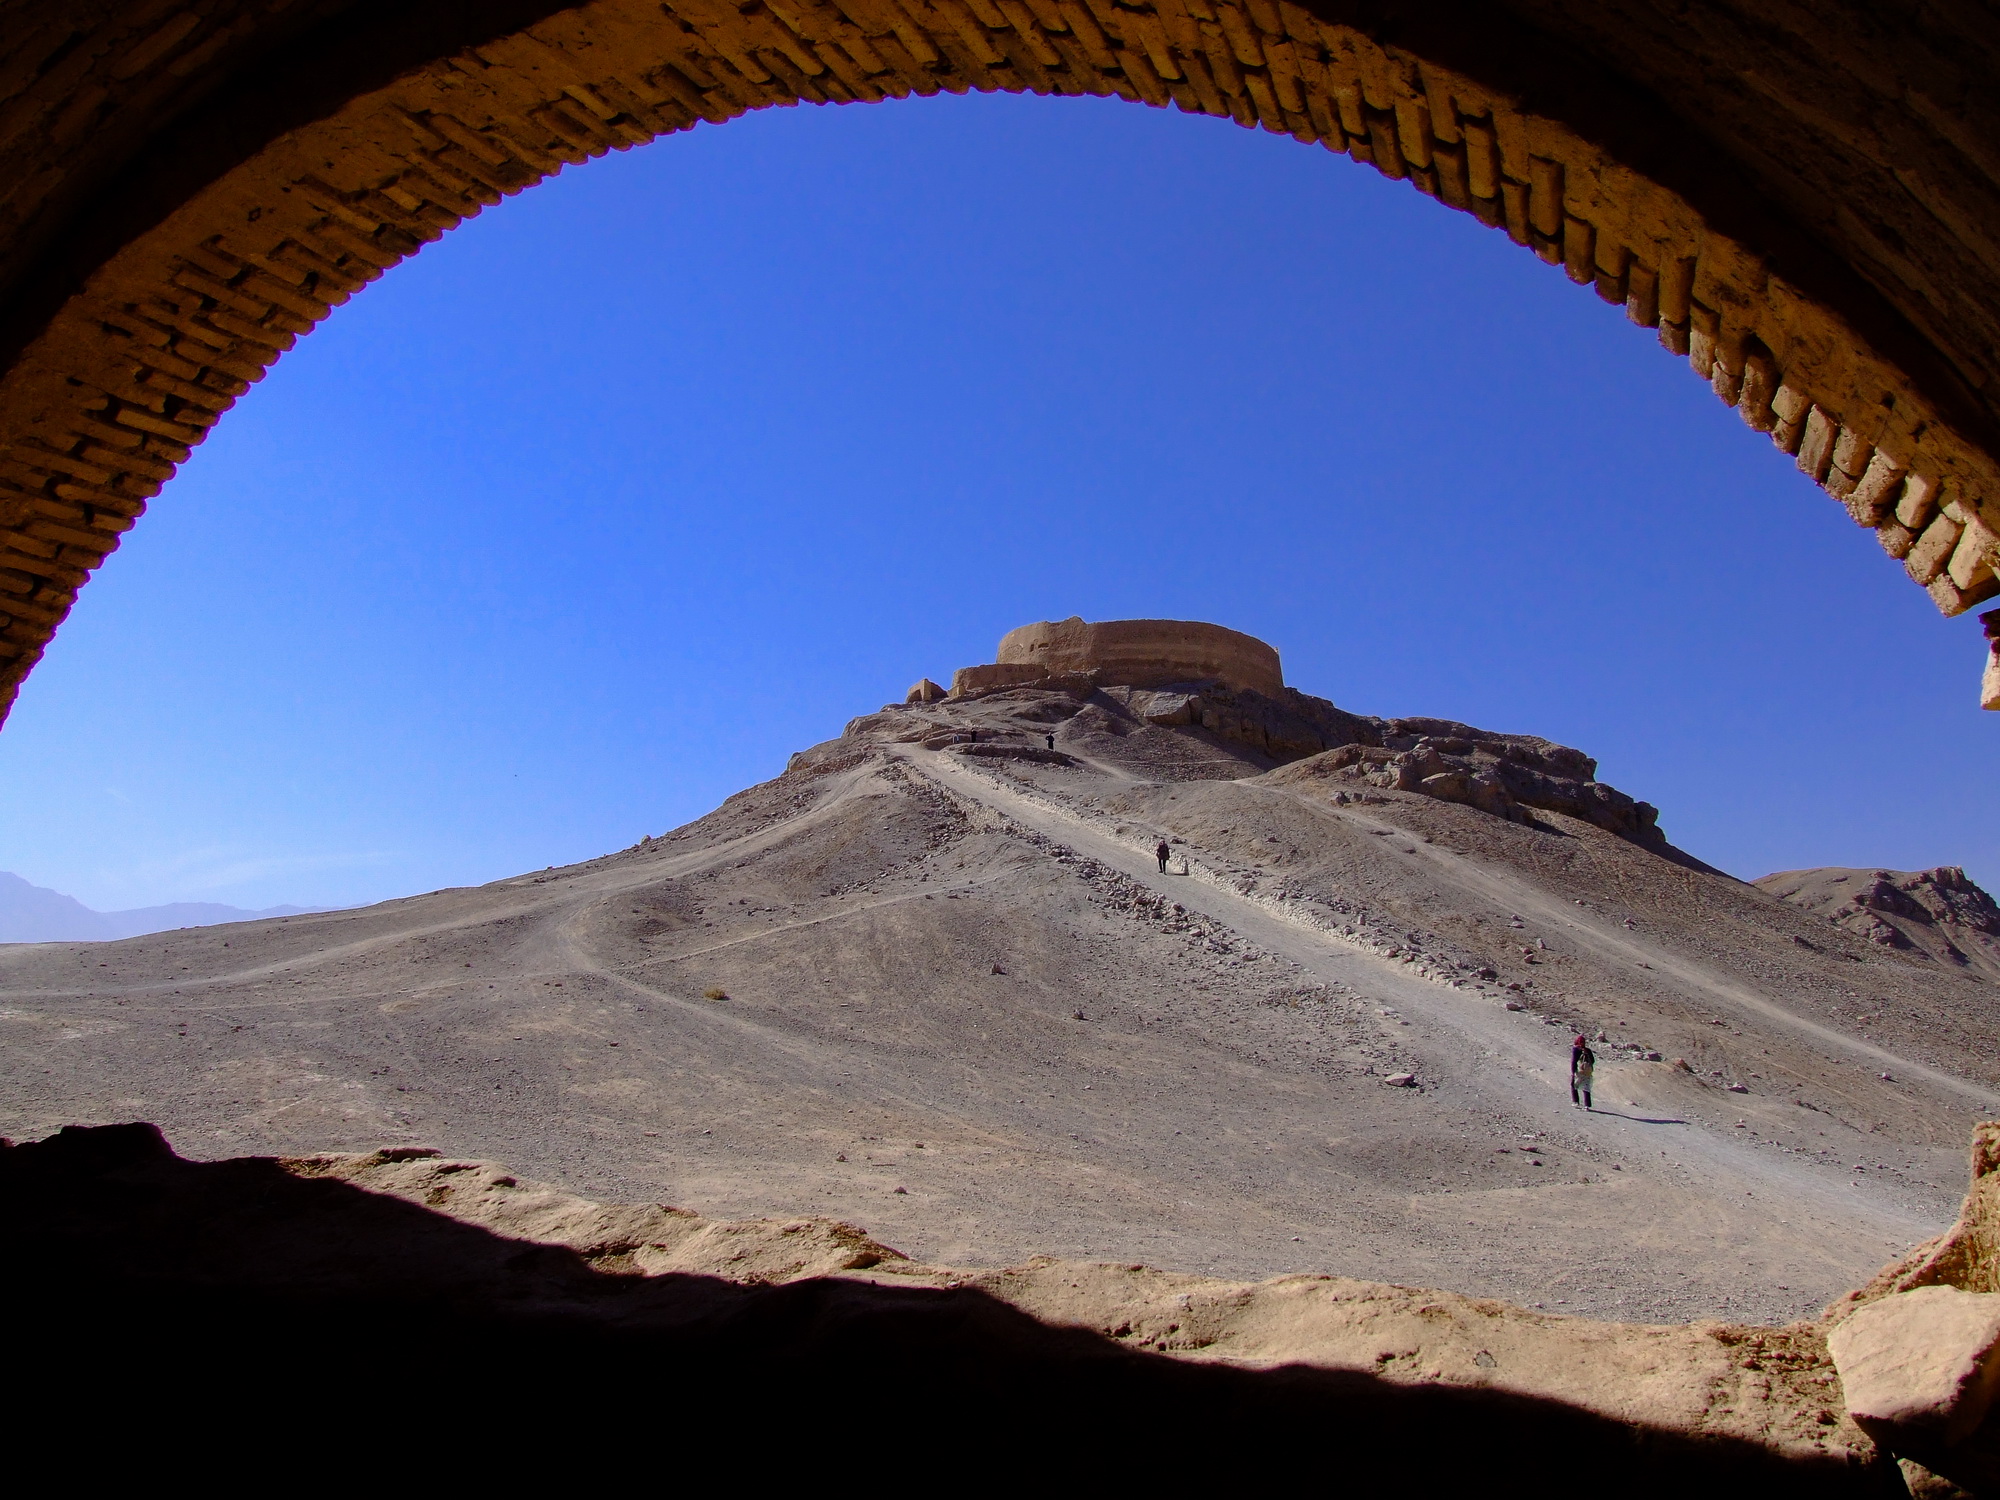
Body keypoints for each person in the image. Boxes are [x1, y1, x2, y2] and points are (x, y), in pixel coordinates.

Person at [1571, 1037, 1595, 1109]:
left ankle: (1576, 1102)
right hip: (1588, 1072)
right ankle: (1587, 1105)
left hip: (1579, 1071)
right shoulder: (1588, 1050)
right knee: (1586, 1088)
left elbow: (1574, 1061)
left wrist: (1573, 1071)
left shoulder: (1576, 1049)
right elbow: (1593, 1061)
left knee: (1574, 1085)